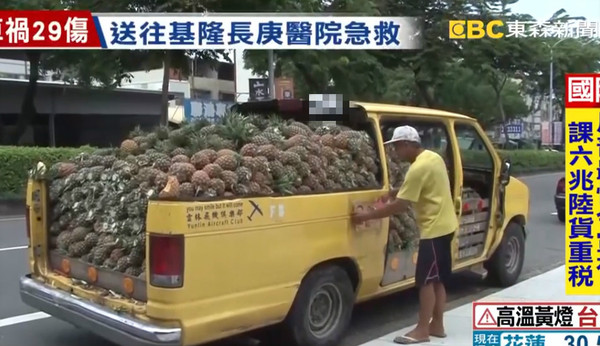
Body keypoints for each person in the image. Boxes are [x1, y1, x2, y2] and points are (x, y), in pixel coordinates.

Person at [351, 125, 458, 345]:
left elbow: (400, 206)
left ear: (409, 145)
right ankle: (437, 325)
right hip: (446, 226)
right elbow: (419, 187)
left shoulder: (417, 168)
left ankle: (422, 330)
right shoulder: (432, 158)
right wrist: (394, 191)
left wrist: (368, 215)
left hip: (434, 230)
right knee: (437, 281)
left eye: (397, 147)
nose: (395, 152)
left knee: (426, 281)